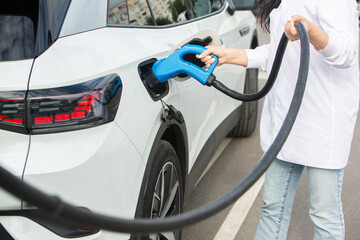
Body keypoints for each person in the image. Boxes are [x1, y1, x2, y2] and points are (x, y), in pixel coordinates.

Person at [197, 0, 359, 239]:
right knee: (272, 209)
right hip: (285, 123)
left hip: (323, 123)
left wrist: (310, 31)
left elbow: (346, 52)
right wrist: (228, 55)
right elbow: (277, 53)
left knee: (325, 218)